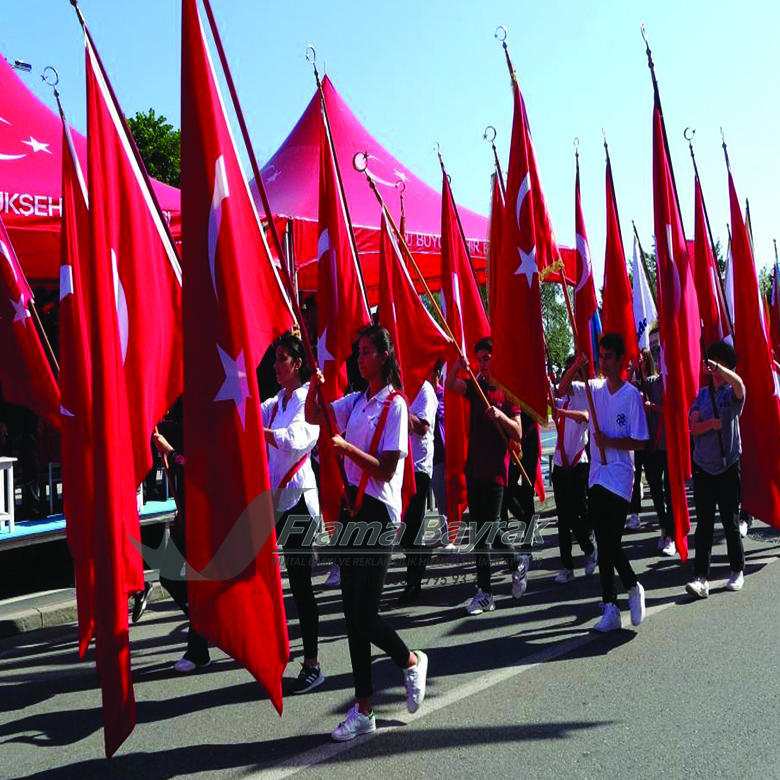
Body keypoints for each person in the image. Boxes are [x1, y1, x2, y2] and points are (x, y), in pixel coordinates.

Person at [305, 324, 428, 741]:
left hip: (377, 512)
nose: (360, 358)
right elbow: (314, 415)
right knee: (350, 613)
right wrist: (314, 385)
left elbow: (390, 468)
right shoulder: (356, 401)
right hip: (351, 510)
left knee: (365, 612)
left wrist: (347, 450)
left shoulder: (395, 405)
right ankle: (364, 708)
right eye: (358, 351)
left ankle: (409, 659)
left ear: (384, 356)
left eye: (367, 351)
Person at [558, 333, 649, 632]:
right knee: (604, 543)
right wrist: (576, 367)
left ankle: (634, 587)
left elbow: (640, 443)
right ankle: (610, 606)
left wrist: (610, 442)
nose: (605, 361)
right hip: (597, 476)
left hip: (621, 477)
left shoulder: (631, 396)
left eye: (610, 355)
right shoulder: (594, 388)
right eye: (601, 355)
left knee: (610, 544)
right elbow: (560, 390)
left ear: (620, 359)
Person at [261, 333, 323, 695]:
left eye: (282, 358)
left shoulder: (306, 399)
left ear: (297, 364)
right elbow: (252, 412)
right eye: (275, 358)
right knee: (277, 583)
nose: (276, 365)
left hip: (298, 499)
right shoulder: (277, 401)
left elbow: (296, 438)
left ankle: (313, 664)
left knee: (301, 586)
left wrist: (262, 433)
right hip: (276, 501)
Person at [445, 337, 525, 615]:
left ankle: (497, 580)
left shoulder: (507, 392)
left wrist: (500, 417)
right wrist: (459, 364)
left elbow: (518, 432)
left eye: (486, 358)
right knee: (480, 532)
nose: (482, 362)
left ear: (496, 359)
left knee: (487, 531)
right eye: (479, 358)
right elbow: (449, 385)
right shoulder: (475, 387)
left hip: (496, 473)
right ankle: (493, 584)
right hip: (474, 468)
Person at [685, 341, 746, 598]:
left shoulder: (730, 394)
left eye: (719, 364)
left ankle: (737, 570)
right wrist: (711, 424)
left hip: (728, 465)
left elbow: (740, 386)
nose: (713, 369)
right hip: (704, 467)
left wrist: (722, 368)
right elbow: (693, 426)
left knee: (730, 522)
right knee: (705, 525)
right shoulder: (701, 394)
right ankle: (701, 577)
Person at [153, 429, 212, 673]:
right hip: (186, 514)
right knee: (169, 576)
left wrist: (171, 452)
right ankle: (206, 625)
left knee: (197, 585)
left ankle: (198, 649)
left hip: (205, 515)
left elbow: (204, 470)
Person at [551, 355, 597, 583]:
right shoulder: (563, 399)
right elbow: (557, 392)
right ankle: (566, 566)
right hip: (560, 463)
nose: (570, 381)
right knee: (563, 517)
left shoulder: (587, 395)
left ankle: (589, 548)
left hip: (578, 463)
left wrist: (563, 413)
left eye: (574, 374)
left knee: (574, 513)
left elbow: (585, 418)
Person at [626, 349, 676, 556]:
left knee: (669, 491)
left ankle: (672, 535)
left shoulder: (658, 382)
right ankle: (664, 528)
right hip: (649, 448)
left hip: (665, 444)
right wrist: (631, 370)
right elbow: (625, 389)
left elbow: (672, 409)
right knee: (655, 490)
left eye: (643, 359)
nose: (641, 362)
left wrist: (652, 407)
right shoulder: (637, 387)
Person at [399, 366, 439, 602]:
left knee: (412, 526)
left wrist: (402, 408)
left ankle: (413, 584)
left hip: (420, 467)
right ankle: (422, 554)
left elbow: (422, 428)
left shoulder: (425, 390)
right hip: (400, 466)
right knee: (403, 529)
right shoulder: (399, 388)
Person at [429, 359, 450, 545]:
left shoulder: (441, 395)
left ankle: (448, 535)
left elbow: (437, 414)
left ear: (437, 374)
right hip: (427, 453)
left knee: (442, 496)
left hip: (439, 452)